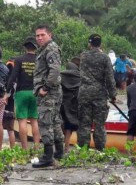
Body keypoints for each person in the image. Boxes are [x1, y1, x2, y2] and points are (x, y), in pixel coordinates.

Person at [77, 34, 117, 150]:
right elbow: (110, 78)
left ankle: (83, 150)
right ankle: (100, 149)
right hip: (99, 94)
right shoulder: (105, 58)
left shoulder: (83, 56)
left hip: (84, 93)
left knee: (84, 124)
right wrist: (113, 95)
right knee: (99, 125)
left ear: (89, 44)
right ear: (101, 44)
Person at [32, 25, 64, 168]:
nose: (39, 38)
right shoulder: (46, 49)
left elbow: (55, 70)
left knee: (45, 122)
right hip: (54, 91)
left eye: (42, 35)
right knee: (55, 120)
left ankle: (48, 156)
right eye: (37, 35)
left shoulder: (51, 49)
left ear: (49, 35)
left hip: (49, 92)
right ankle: (59, 152)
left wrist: (45, 88)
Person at [6, 37, 40, 150]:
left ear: (25, 47)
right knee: (34, 121)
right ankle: (36, 147)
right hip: (35, 93)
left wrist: (7, 92)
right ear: (36, 47)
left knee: (22, 121)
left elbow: (13, 77)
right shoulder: (39, 60)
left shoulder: (19, 60)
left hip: (21, 93)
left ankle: (25, 149)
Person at [60, 59, 81, 153]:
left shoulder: (61, 75)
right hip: (74, 104)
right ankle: (67, 148)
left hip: (63, 104)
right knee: (70, 127)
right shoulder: (80, 76)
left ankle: (61, 147)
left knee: (62, 125)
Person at [3, 59, 16, 148]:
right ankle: (13, 149)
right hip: (11, 108)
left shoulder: (2, 80)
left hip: (2, 106)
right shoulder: (15, 82)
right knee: (11, 130)